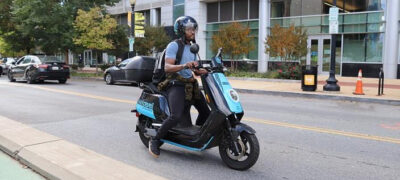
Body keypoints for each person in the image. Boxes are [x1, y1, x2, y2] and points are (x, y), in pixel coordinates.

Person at [149, 16, 210, 158]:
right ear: (182, 31)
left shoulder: (192, 47)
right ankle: (156, 140)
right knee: (175, 116)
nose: (193, 32)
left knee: (206, 113)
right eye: (189, 29)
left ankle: (197, 136)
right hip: (175, 84)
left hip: (190, 84)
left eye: (194, 29)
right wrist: (184, 65)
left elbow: (193, 69)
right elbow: (167, 67)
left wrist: (203, 71)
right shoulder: (174, 45)